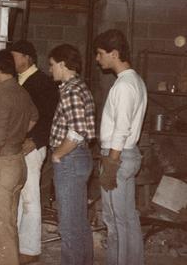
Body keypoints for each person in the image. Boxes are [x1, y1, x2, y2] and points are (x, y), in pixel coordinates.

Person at [0, 49, 38, 265]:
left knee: (1, 230)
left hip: (3, 167)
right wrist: (18, 135)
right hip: (18, 163)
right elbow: (34, 118)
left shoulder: (3, 95)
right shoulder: (21, 91)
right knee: (9, 224)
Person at [94, 29, 147, 265]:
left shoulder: (124, 86)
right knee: (127, 218)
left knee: (114, 220)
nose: (98, 59)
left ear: (114, 53)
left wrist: (111, 164)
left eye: (100, 53)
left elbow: (121, 128)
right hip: (125, 154)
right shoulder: (134, 81)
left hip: (118, 155)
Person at [9, 40, 59, 264]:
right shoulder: (20, 81)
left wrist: (36, 141)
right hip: (20, 145)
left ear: (27, 58)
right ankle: (18, 244)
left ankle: (30, 249)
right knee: (19, 195)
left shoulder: (42, 82)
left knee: (30, 196)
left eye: (15, 56)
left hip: (32, 146)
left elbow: (50, 116)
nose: (12, 60)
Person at [48, 44, 95, 265]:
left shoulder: (71, 90)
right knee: (79, 222)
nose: (50, 70)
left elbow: (77, 131)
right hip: (79, 158)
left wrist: (58, 154)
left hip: (70, 160)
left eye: (52, 65)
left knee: (67, 226)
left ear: (62, 64)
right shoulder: (80, 86)